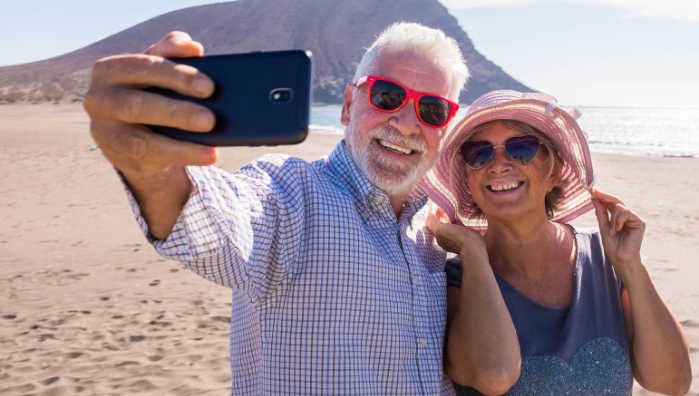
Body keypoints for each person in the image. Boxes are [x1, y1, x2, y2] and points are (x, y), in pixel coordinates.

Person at [83, 22, 469, 395]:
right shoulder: (291, 194)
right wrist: (152, 167)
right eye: (388, 96)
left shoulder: (438, 227)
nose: (405, 124)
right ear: (350, 105)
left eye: (432, 110)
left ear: (446, 127)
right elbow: (216, 222)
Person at [422, 91, 692, 395]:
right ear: (468, 181)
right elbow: (491, 374)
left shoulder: (606, 259)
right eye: (478, 154)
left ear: (554, 171)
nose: (498, 165)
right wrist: (473, 251)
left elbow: (673, 382)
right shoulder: (455, 280)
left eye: (520, 149)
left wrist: (630, 266)